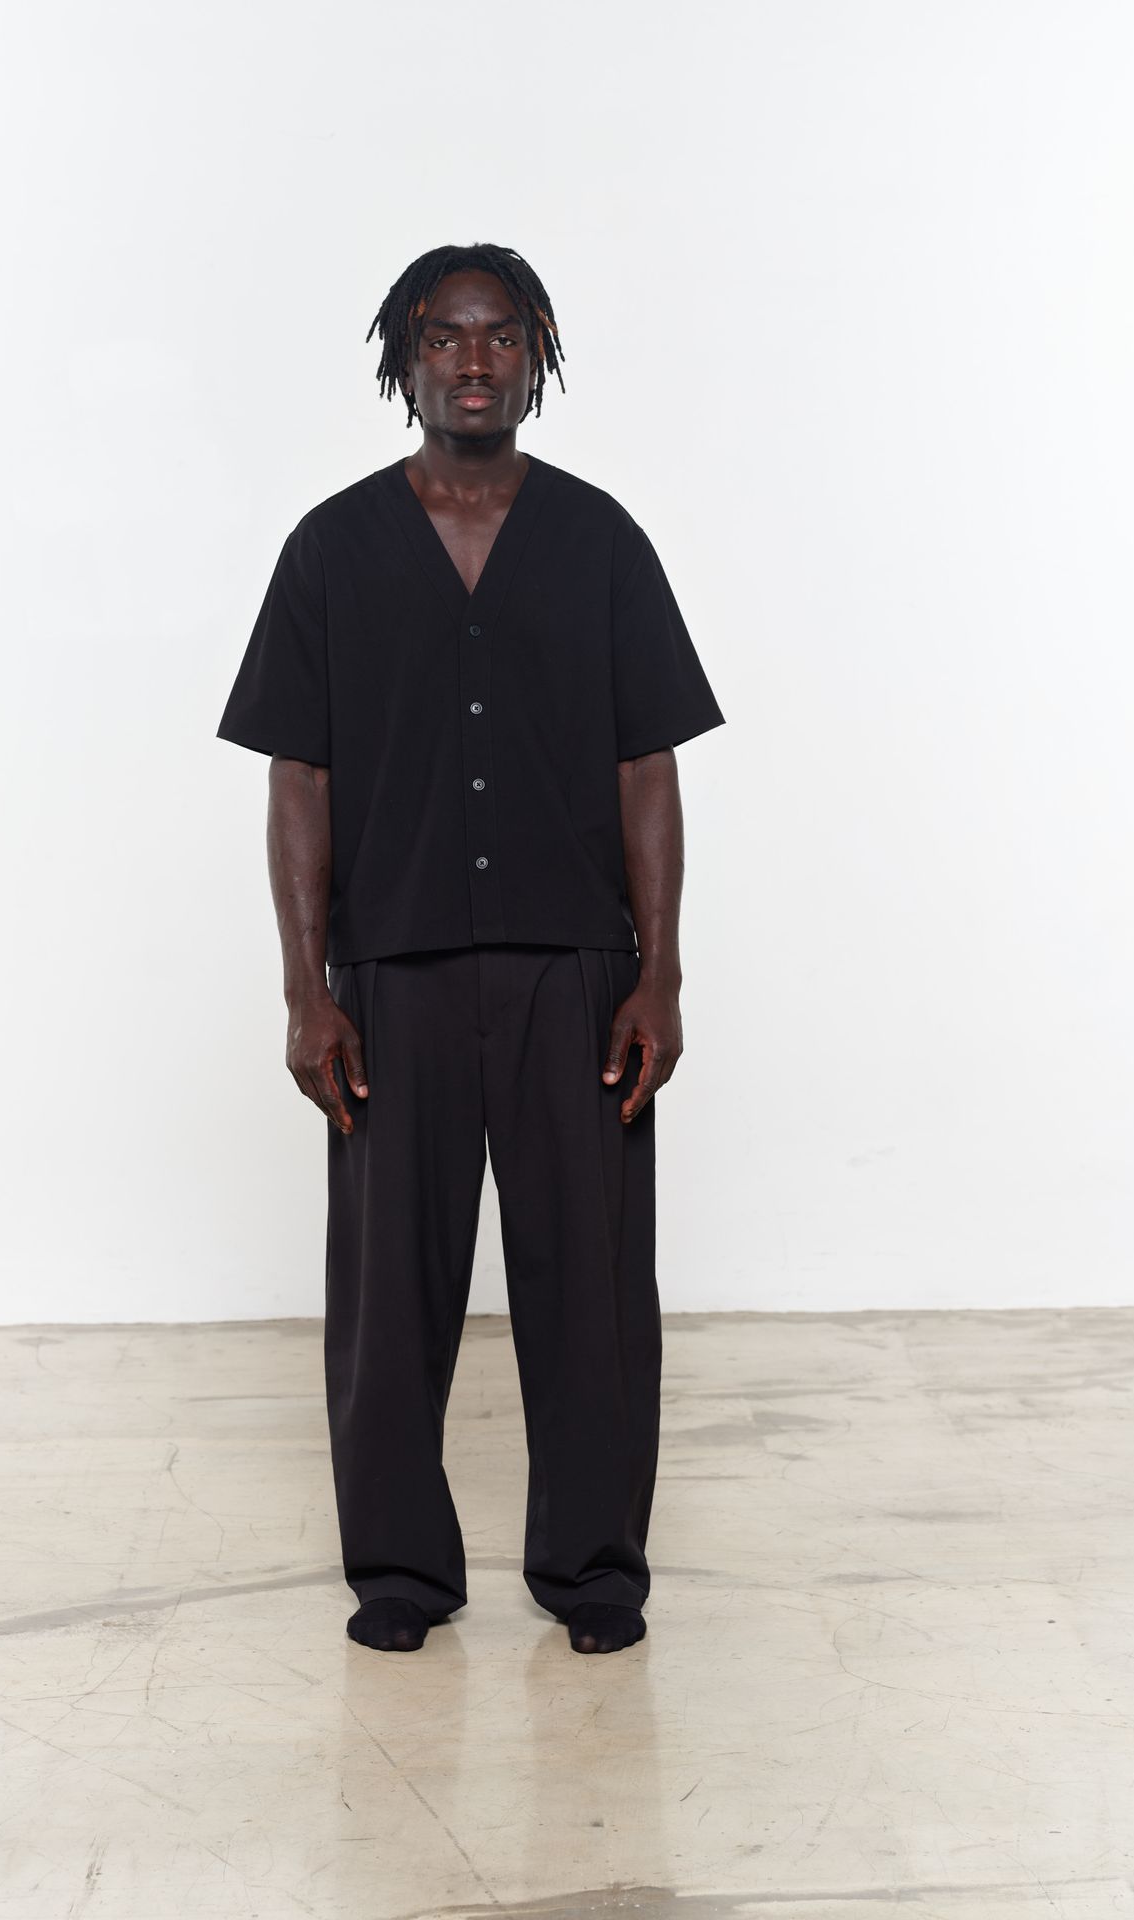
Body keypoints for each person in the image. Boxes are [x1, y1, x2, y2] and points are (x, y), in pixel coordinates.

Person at [215, 242, 725, 1655]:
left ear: (538, 353)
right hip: (395, 977)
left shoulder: (601, 540)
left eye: (501, 335)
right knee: (391, 1296)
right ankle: (398, 1573)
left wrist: (660, 971)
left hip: (576, 972)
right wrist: (307, 990)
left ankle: (595, 1573)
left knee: (592, 1293)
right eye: (444, 336)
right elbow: (299, 777)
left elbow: (647, 764)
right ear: (406, 358)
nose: (474, 360)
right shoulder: (332, 547)